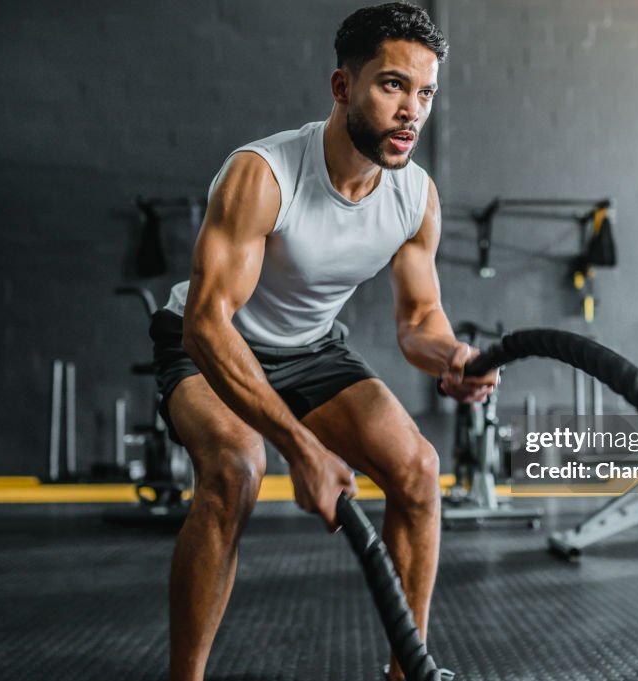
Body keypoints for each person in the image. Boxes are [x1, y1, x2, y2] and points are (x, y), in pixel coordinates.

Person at [149, 4, 496, 679]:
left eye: (424, 93)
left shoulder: (415, 197)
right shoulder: (264, 173)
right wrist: (302, 448)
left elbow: (420, 319)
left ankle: (408, 673)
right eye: (392, 85)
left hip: (309, 348)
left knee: (420, 472)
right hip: (209, 344)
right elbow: (207, 321)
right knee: (236, 469)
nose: (412, 112)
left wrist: (453, 356)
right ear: (343, 88)